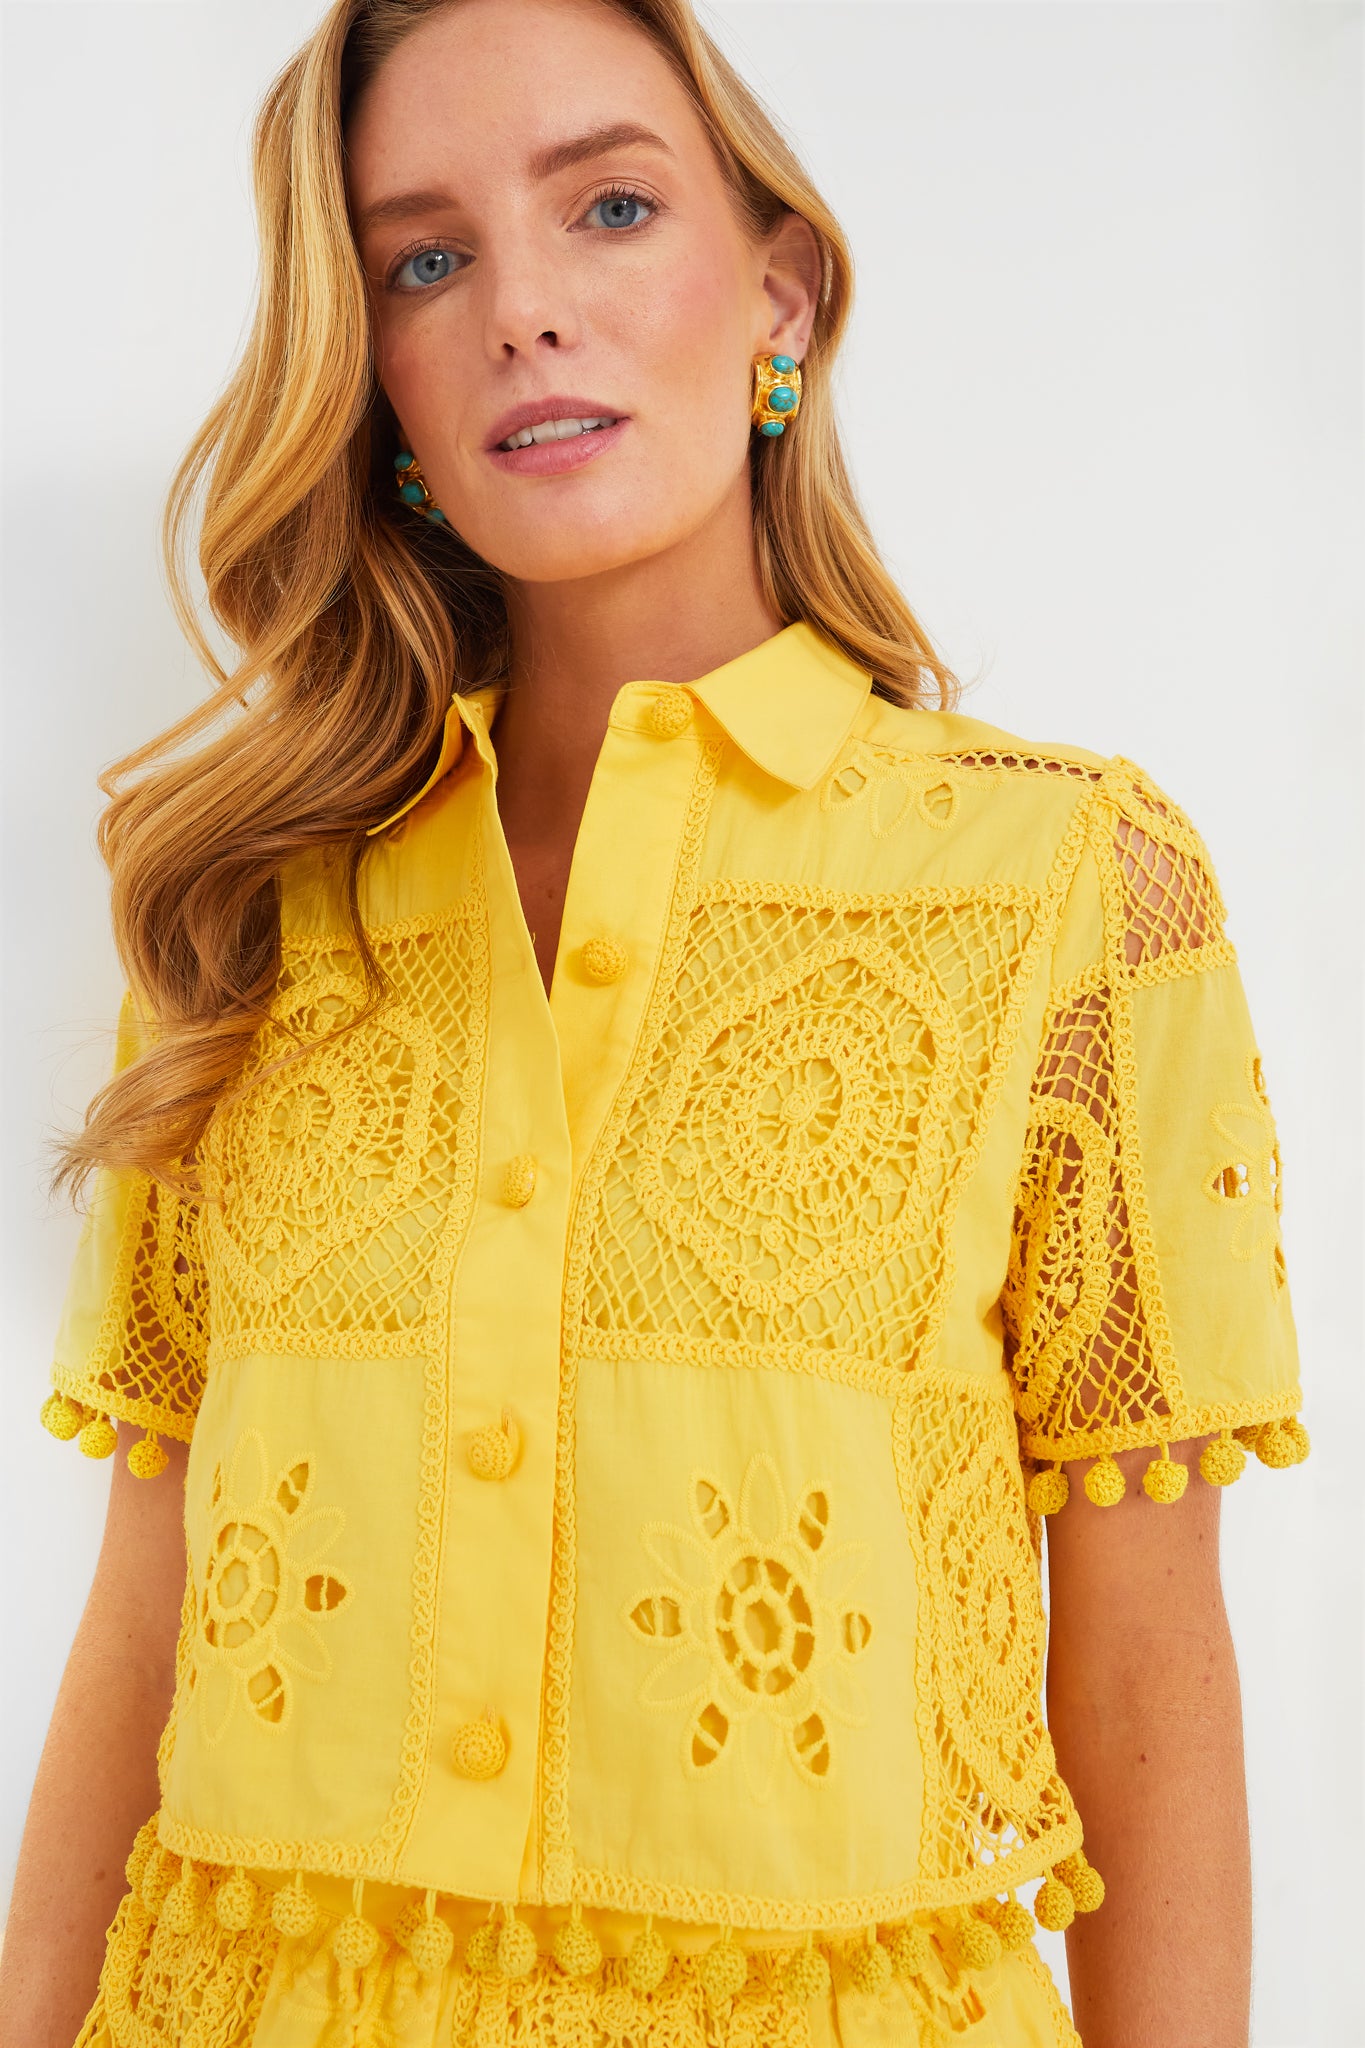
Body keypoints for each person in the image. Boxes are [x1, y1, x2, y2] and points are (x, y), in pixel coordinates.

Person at [0, 1, 1309, 2044]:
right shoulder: (251, 916)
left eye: (607, 208)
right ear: (376, 378)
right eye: (425, 258)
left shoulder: (1061, 889)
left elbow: (1147, 1668)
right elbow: (139, 1621)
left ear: (780, 290)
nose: (520, 309)